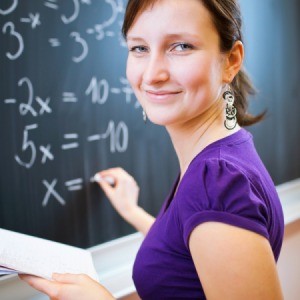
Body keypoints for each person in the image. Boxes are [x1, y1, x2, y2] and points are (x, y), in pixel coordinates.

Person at [20, 0, 285, 299]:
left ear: (231, 61)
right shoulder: (224, 156)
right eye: (139, 48)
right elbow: (188, 258)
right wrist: (133, 213)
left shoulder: (217, 183)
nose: (152, 74)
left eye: (181, 46)